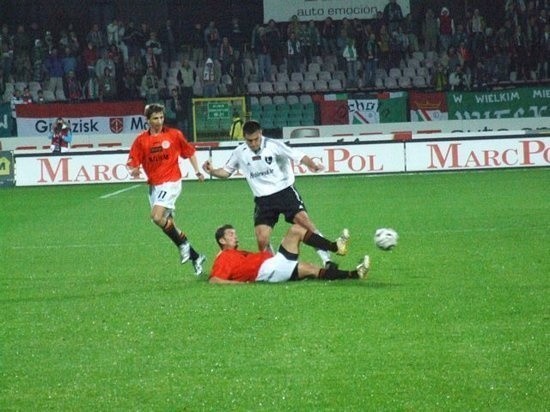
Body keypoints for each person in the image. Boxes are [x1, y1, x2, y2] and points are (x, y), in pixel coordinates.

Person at [202, 120, 336, 266]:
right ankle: (274, 267)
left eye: (256, 139)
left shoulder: (274, 145)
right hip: (263, 200)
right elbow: (226, 172)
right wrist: (212, 171)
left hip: (284, 192)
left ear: (260, 134)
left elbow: (298, 155)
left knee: (306, 223)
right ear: (244, 138)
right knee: (261, 239)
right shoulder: (239, 152)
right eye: (249, 140)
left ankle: (327, 260)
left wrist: (313, 165)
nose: (253, 143)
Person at [126, 103, 206, 275]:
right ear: (147, 120)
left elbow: (190, 152)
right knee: (169, 226)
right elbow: (132, 162)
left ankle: (184, 245)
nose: (159, 121)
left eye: (161, 117)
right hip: (154, 186)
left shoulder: (174, 135)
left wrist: (198, 170)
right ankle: (196, 256)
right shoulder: (141, 140)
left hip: (171, 181)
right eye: (155, 118)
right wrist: (133, 170)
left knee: (156, 217)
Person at [209, 224, 370, 284]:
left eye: (234, 233)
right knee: (311, 269)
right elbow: (215, 280)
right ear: (222, 241)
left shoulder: (236, 253)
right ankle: (355, 274)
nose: (235, 236)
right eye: (230, 234)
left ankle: (335, 247)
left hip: (274, 263)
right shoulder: (224, 257)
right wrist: (239, 284)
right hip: (268, 271)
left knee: (296, 230)